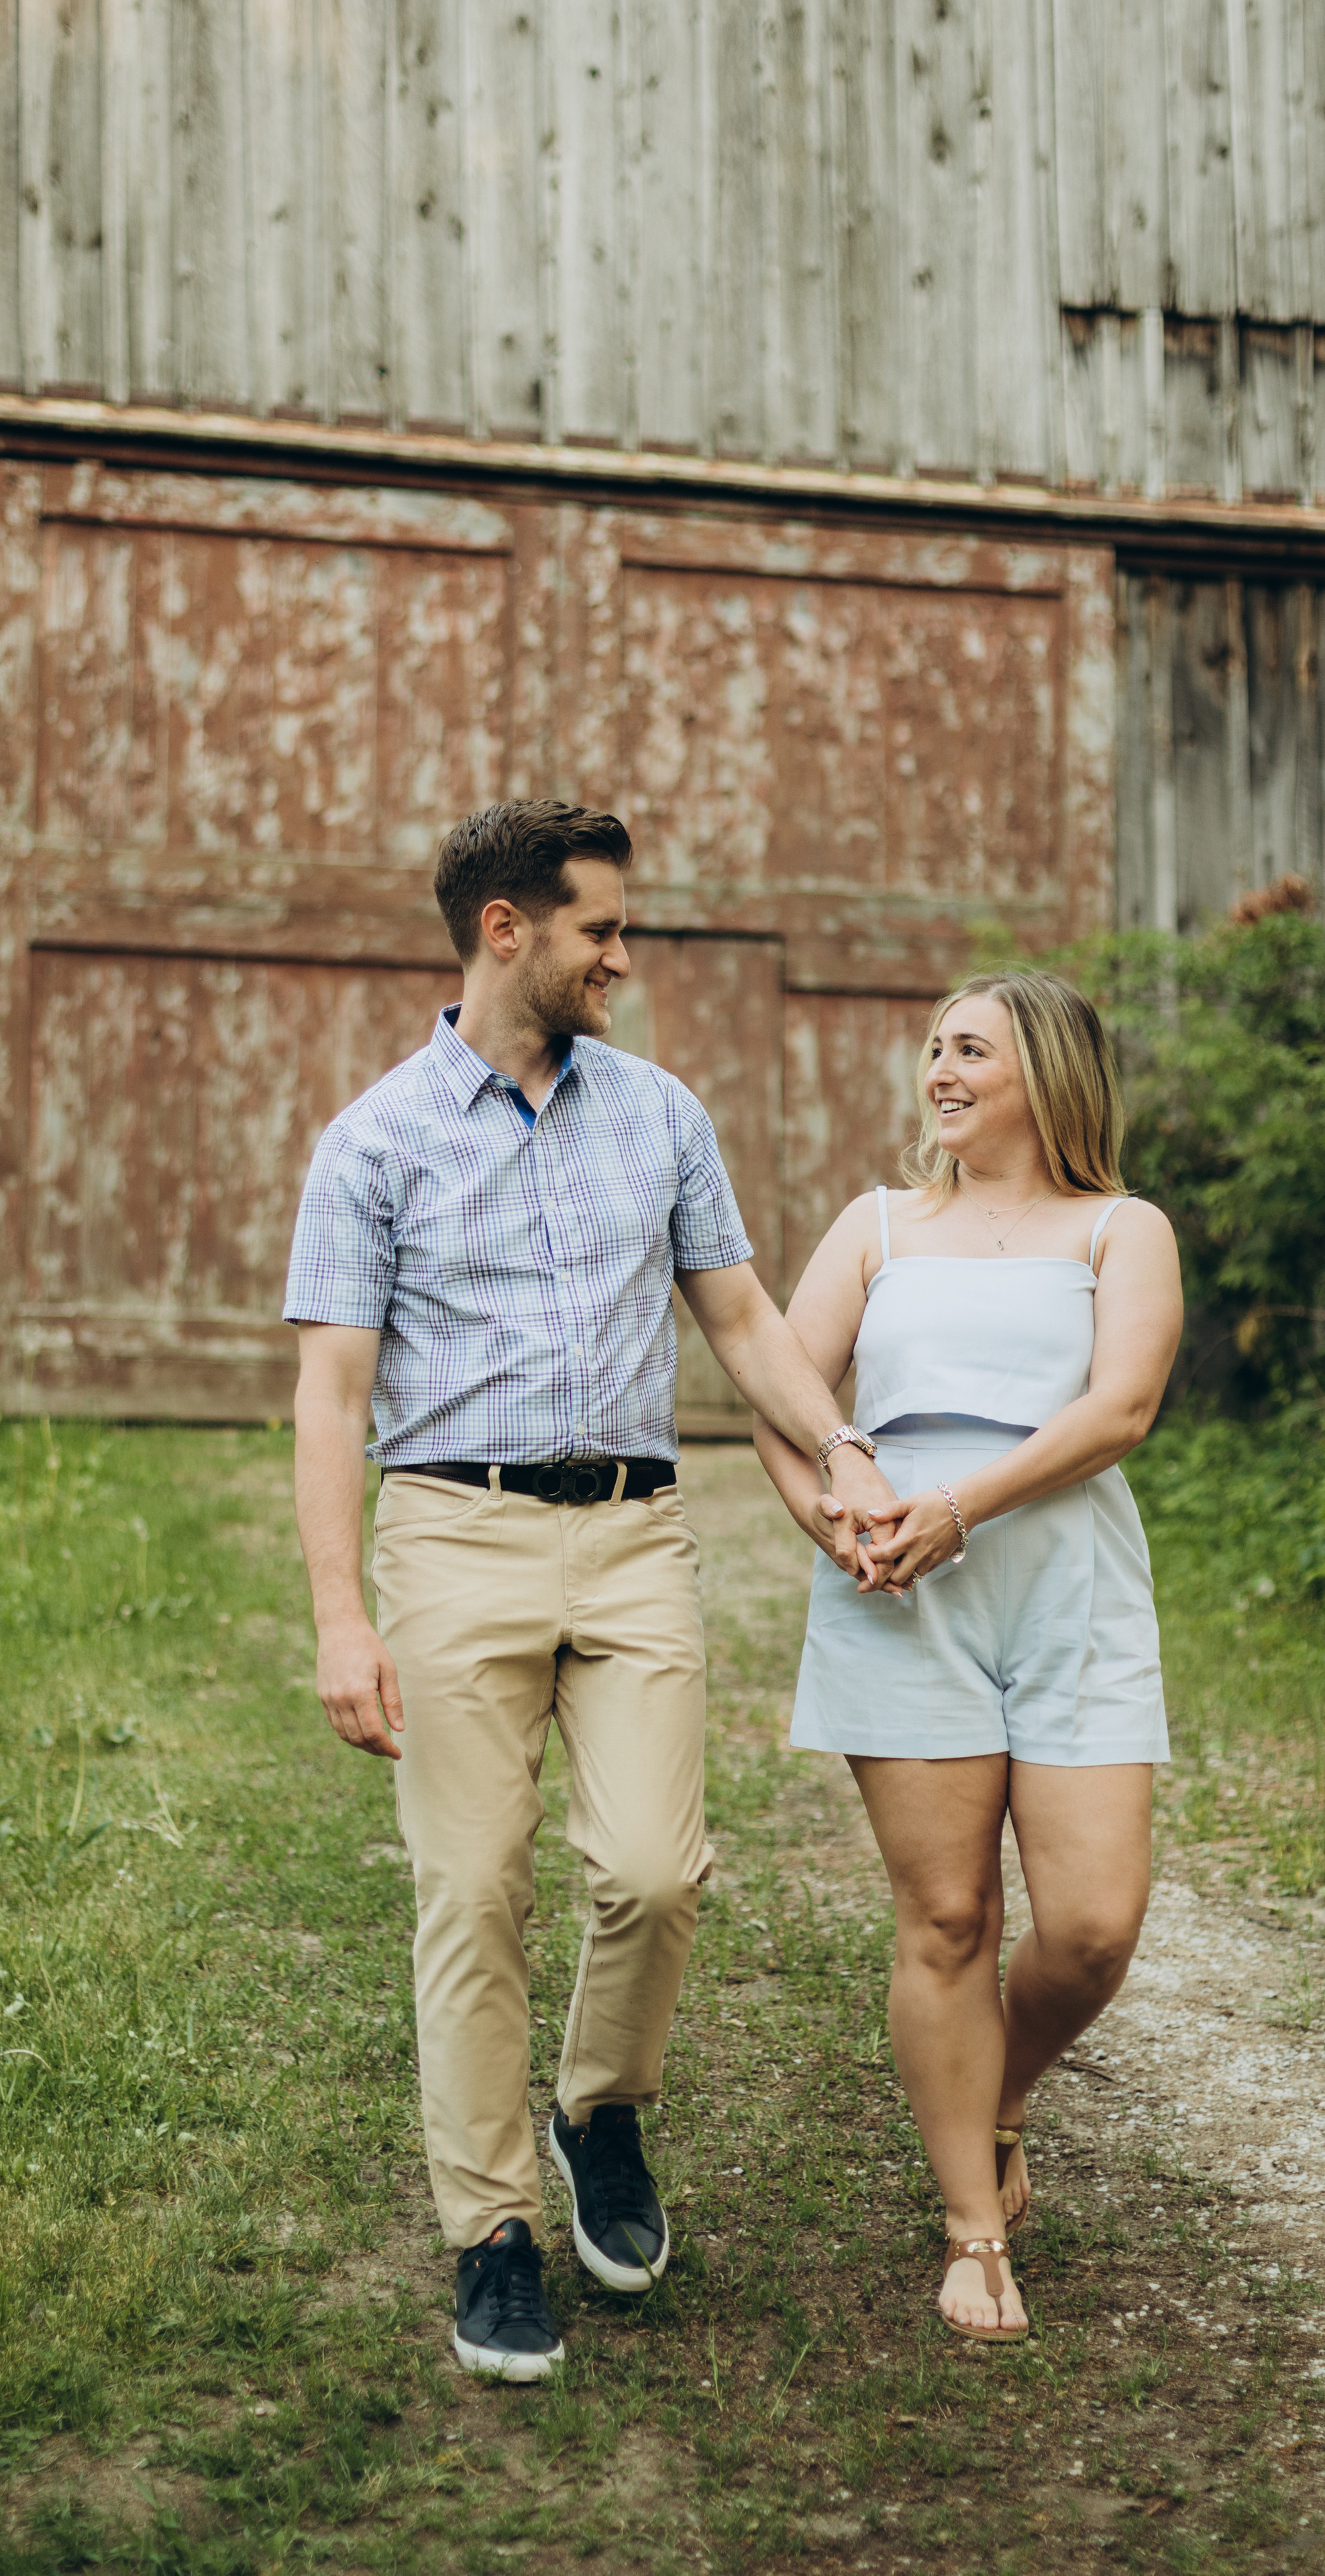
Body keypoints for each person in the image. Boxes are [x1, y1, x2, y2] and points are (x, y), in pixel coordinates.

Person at [283, 799, 897, 2382]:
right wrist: (342, 1619)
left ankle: (596, 2110)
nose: (623, 954)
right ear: (507, 930)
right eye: (600, 930)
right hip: (453, 1536)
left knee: (653, 1871)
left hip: (633, 1536)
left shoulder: (660, 1116)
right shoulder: (373, 1143)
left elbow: (746, 1323)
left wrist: (843, 1452)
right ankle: (489, 2232)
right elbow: (331, 1400)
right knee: (471, 1893)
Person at [753, 969, 1183, 2343]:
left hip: (1067, 1587)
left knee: (1091, 1925)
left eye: (970, 1052)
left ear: (1044, 1077)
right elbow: (779, 1398)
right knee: (947, 1919)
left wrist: (960, 1507)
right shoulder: (875, 1228)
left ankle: (998, 2097)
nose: (939, 1072)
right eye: (932, 1049)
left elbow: (1118, 1409)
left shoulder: (1120, 1229)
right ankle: (972, 2234)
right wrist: (838, 1521)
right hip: (901, 1596)